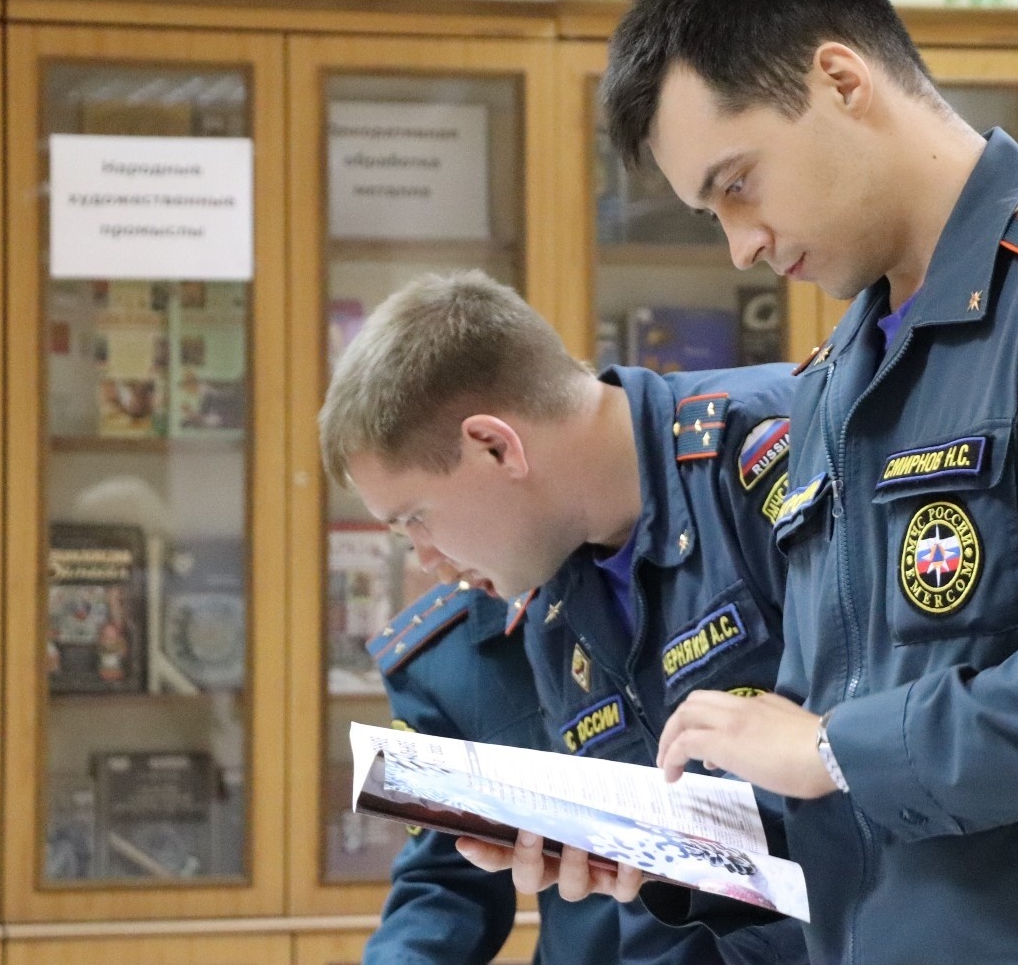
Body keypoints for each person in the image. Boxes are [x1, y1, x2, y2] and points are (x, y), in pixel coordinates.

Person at [535, 0, 1018, 963]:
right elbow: (844, 765)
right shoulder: (840, 379)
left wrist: (829, 749)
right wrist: (668, 858)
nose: (742, 245)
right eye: (711, 213)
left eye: (738, 183)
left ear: (840, 80)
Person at [319, 269, 808, 963]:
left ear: (495, 446)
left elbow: (891, 758)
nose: (422, 559)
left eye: (415, 520)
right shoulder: (549, 577)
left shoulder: (782, 445)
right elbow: (651, 909)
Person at [362, 574, 619, 964]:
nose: (428, 558)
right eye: (400, 531)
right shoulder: (444, 656)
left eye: (420, 514)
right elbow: (448, 879)